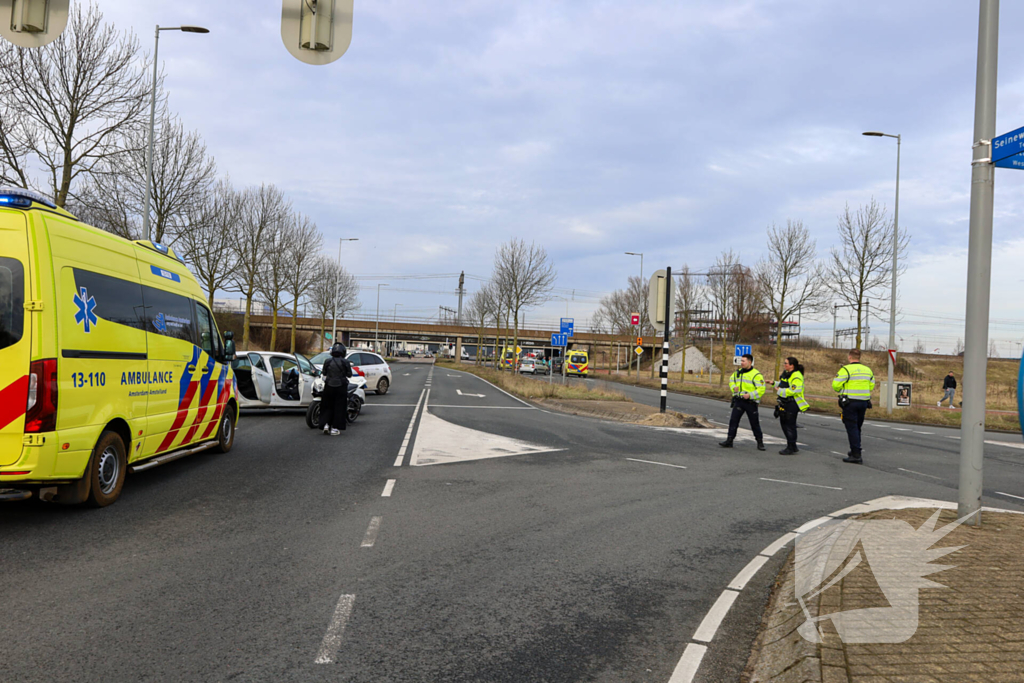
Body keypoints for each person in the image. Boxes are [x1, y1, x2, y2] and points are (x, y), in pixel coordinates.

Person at [833, 348, 875, 464]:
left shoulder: (845, 369)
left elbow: (835, 385)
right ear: (859, 357)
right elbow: (871, 385)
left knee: (851, 428)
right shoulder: (867, 370)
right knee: (857, 427)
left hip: (850, 402)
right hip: (863, 402)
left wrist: (843, 389)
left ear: (849, 357)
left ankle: (856, 454)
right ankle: (854, 450)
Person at [720, 353, 766, 451]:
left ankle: (760, 442)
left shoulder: (756, 375)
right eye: (741, 361)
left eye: (743, 361)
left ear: (750, 362)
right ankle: (729, 440)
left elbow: (761, 389)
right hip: (739, 401)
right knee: (733, 421)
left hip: (751, 402)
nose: (741, 363)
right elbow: (731, 380)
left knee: (754, 423)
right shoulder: (738, 372)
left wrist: (750, 395)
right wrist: (733, 388)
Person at [768, 356, 809, 455]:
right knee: (784, 424)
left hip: (792, 403)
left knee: (789, 425)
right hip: (785, 402)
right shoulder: (787, 374)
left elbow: (794, 390)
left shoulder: (796, 376)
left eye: (786, 363)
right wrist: (774, 383)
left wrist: (780, 391)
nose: (784, 365)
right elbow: (784, 384)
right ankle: (793, 446)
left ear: (792, 366)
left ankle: (790, 446)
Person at [319, 342, 352, 436]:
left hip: (329, 385)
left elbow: (324, 373)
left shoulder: (327, 361)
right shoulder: (345, 362)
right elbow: (349, 374)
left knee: (327, 406)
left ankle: (326, 425)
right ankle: (335, 428)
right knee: (339, 407)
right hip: (341, 386)